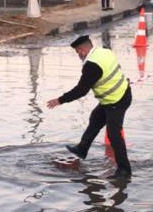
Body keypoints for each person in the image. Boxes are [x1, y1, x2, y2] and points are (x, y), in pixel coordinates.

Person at [46, 35, 132, 179]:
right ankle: (82, 149)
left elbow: (81, 90)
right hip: (117, 95)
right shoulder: (104, 51)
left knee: (114, 135)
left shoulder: (91, 65)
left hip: (117, 101)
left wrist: (60, 100)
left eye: (78, 51)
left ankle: (124, 171)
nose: (78, 55)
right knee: (96, 118)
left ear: (83, 49)